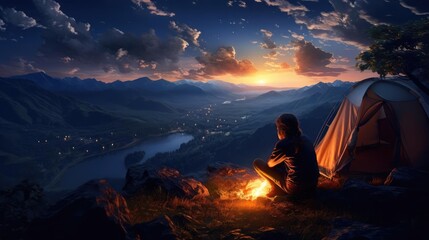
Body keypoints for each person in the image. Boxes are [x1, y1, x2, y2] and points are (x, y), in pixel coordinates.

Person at [253, 113, 319, 198]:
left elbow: (270, 164)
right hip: (312, 185)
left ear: (282, 129)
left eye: (278, 129)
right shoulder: (306, 139)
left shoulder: (284, 144)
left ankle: (276, 189)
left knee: (257, 163)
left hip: (295, 188)